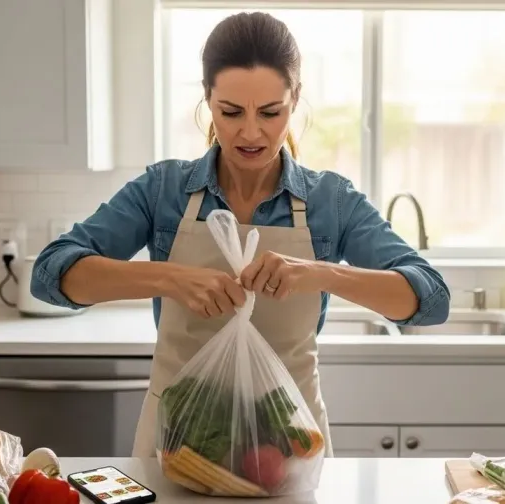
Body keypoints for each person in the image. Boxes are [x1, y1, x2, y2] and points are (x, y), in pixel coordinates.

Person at [30, 11, 450, 459]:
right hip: (178, 446)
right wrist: (168, 278)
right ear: (208, 99)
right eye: (230, 112)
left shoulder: (332, 201)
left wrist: (322, 273)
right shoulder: (163, 190)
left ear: (296, 99)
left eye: (271, 112)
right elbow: (52, 275)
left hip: (288, 448)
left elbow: (430, 300)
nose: (251, 132)